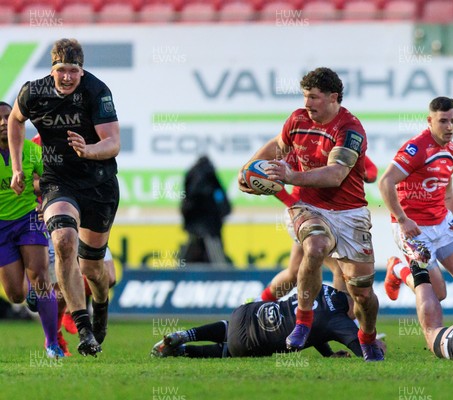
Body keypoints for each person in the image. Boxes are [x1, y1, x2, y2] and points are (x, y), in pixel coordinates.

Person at [238, 67, 383, 361]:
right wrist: (248, 169)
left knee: (363, 293)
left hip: (349, 214)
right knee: (315, 246)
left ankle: (366, 336)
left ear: (333, 98)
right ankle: (303, 321)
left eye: (314, 97)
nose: (308, 103)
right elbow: (277, 146)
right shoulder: (298, 119)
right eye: (305, 96)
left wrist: (289, 177)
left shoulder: (350, 129)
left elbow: (335, 175)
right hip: (308, 206)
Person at [8, 38, 120, 357]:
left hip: (99, 184)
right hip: (58, 182)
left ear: (81, 71)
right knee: (63, 241)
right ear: (52, 69)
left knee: (96, 272)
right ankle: (84, 330)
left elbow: (113, 143)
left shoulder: (97, 91)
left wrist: (89, 150)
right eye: (62, 70)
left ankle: (100, 305)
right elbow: (15, 120)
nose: (68, 77)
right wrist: (18, 167)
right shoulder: (33, 92)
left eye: (74, 70)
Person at [378, 96, 453, 321]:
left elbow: (447, 188)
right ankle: (398, 270)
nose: (450, 127)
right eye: (443, 121)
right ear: (430, 120)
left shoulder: (451, 148)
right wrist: (402, 219)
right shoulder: (416, 148)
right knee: (438, 293)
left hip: (442, 223)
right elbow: (385, 181)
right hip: (414, 228)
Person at [259, 155, 378, 302]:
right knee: (340, 269)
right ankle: (342, 320)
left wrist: (365, 174)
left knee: (295, 273)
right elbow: (270, 175)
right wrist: (290, 202)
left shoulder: (343, 146)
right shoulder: (302, 143)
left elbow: (372, 170)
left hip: (332, 216)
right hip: (307, 214)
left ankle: (258, 303)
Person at [151, 284, 383, 359]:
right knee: (230, 349)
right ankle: (181, 351)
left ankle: (185, 334)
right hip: (250, 340)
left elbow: (314, 326)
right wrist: (377, 348)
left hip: (246, 312)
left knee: (229, 327)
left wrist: (328, 354)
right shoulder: (340, 322)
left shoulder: (324, 288)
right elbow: (369, 354)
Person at [0, 101, 62, 358]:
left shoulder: (31, 151)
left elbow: (53, 182)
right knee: (15, 295)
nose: (4, 122)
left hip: (29, 219)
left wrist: (41, 195)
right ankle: (32, 293)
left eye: (8, 117)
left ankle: (52, 344)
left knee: (41, 278)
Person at [180, 155, 231, 265]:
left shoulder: (192, 176)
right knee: (217, 259)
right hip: (210, 225)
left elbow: (185, 201)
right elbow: (222, 200)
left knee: (194, 250)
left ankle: (178, 276)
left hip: (196, 224)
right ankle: (223, 277)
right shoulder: (210, 178)